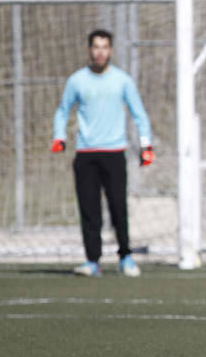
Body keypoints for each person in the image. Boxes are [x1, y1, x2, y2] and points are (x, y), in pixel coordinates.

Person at [51, 29, 155, 277]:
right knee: (89, 209)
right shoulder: (77, 80)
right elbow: (62, 110)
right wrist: (59, 136)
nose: (100, 52)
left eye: (105, 47)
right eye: (96, 47)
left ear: (111, 50)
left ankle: (125, 257)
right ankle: (92, 261)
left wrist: (146, 146)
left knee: (118, 207)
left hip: (114, 153)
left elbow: (139, 114)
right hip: (86, 154)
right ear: (89, 50)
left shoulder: (122, 80)